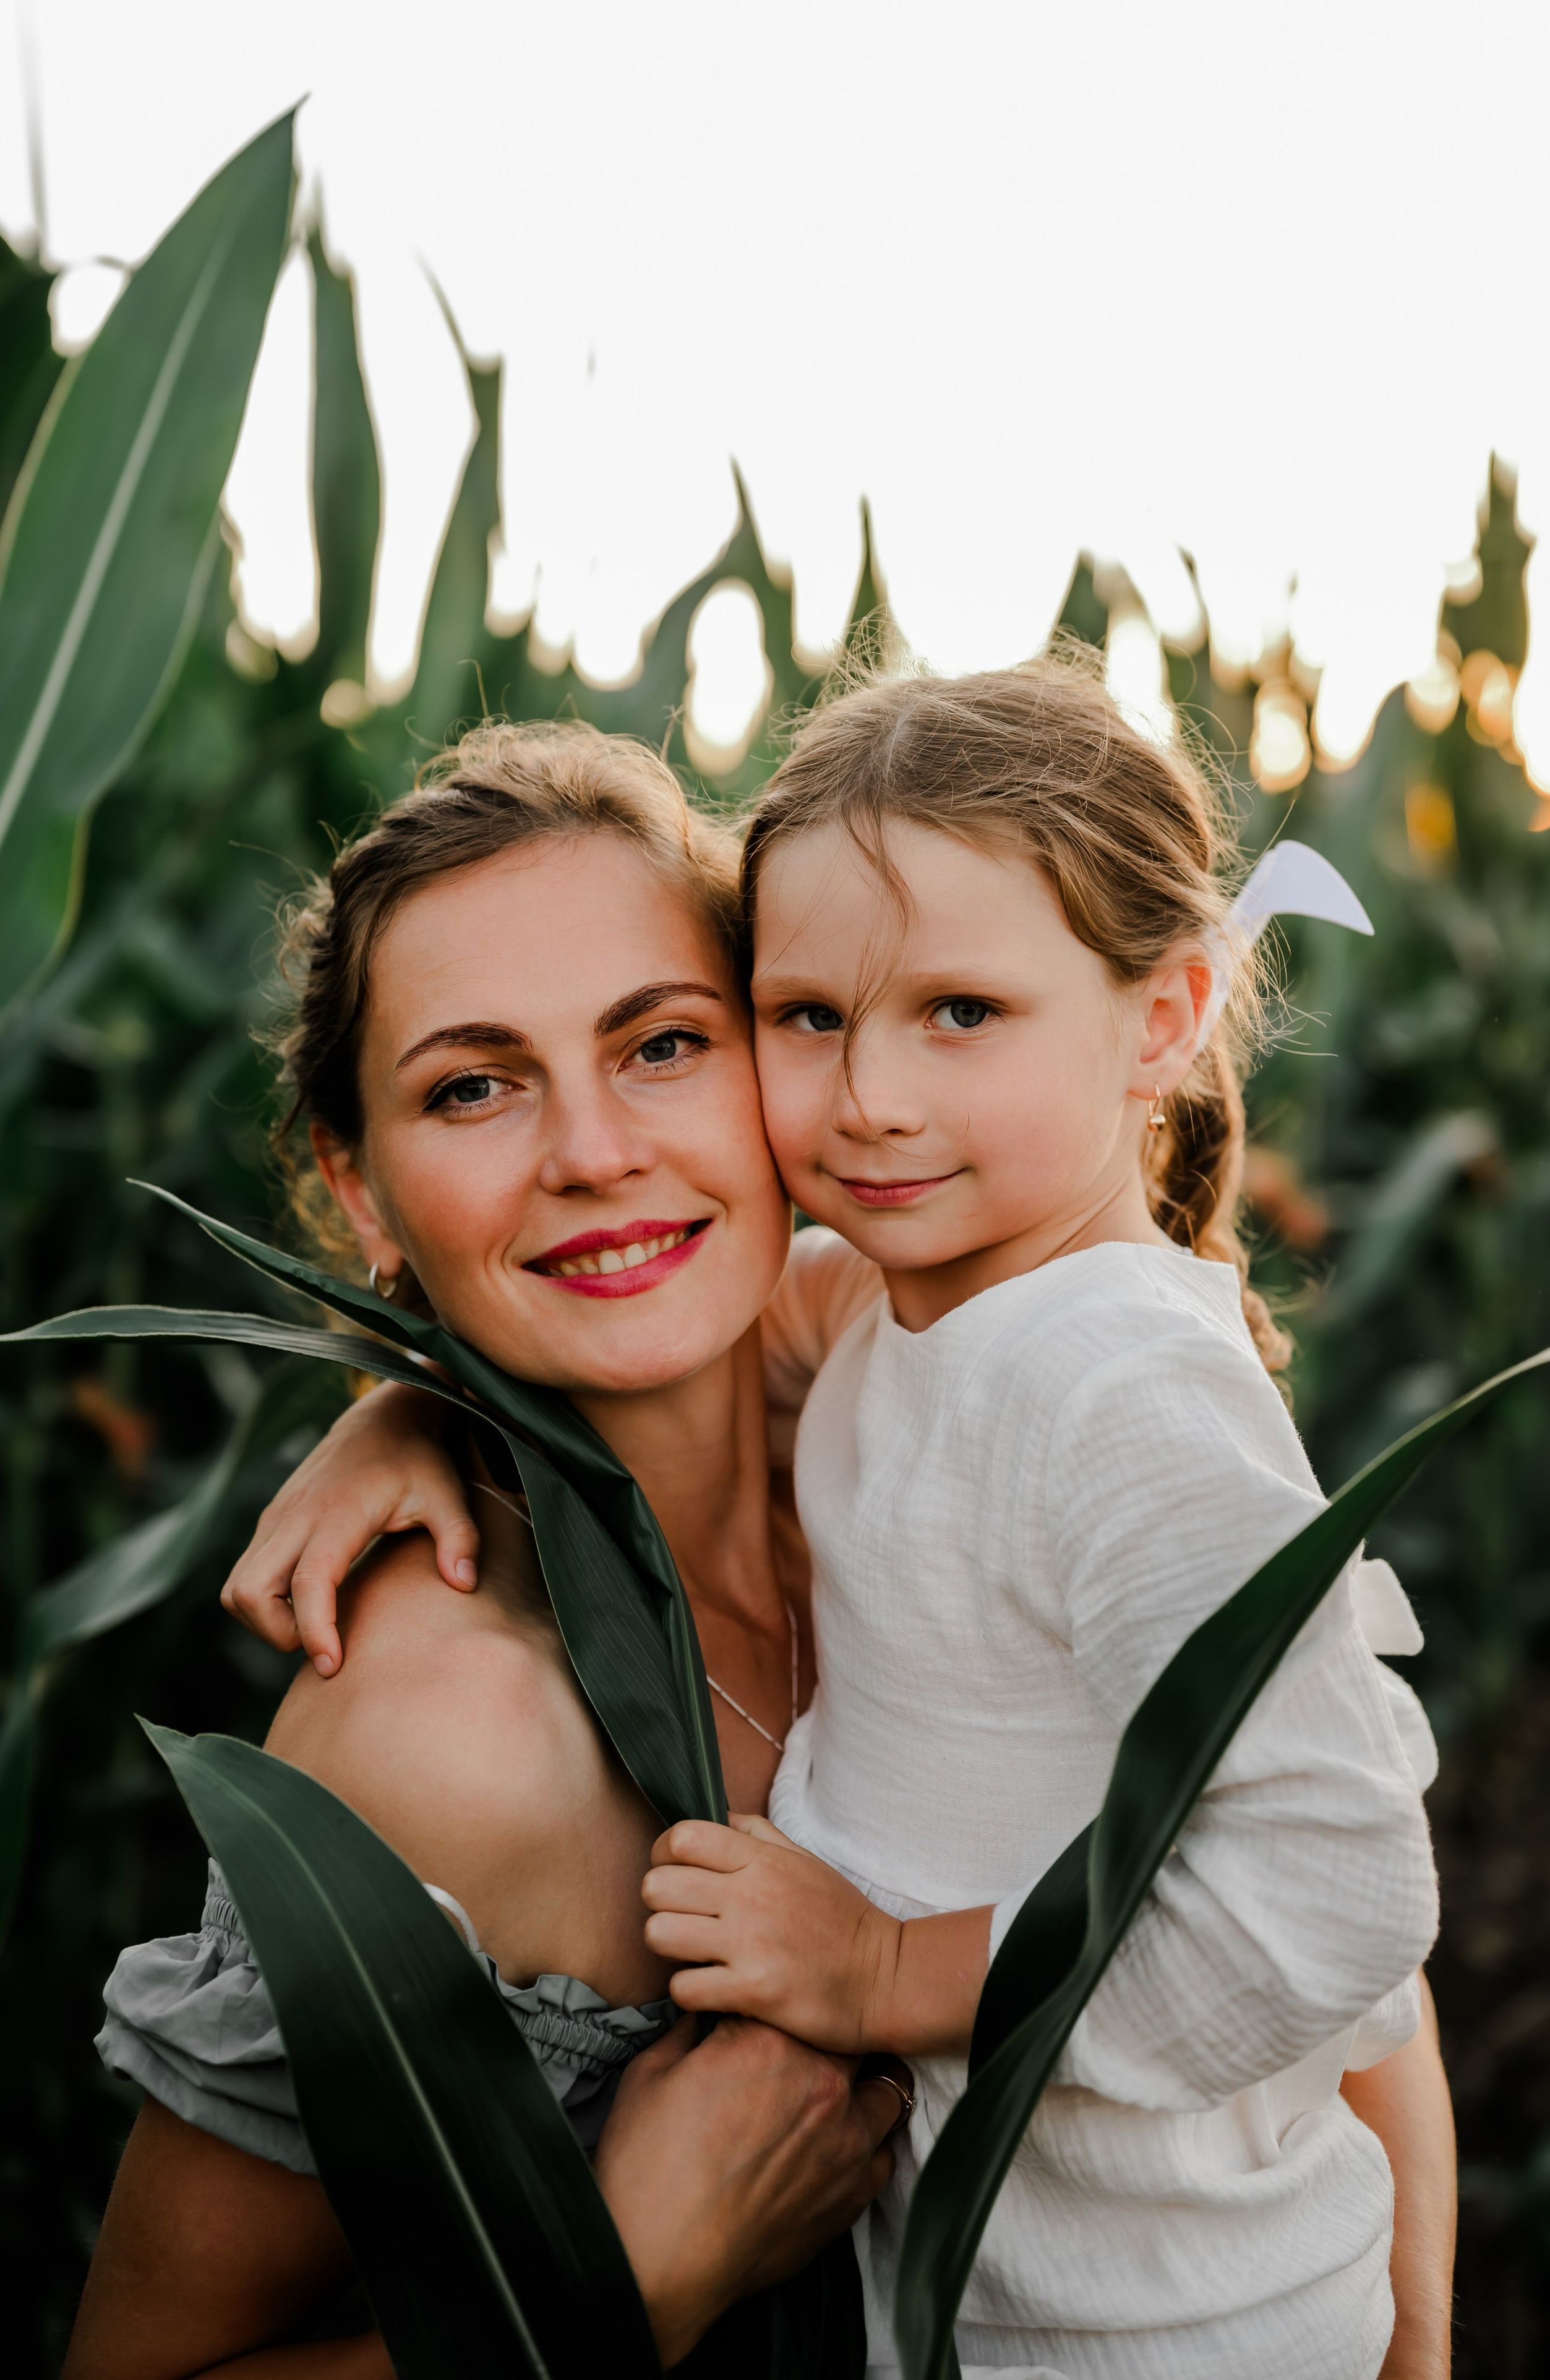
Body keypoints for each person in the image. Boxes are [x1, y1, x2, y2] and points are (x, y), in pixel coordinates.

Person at [215, 691, 1455, 2377]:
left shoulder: (1102, 1402)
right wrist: (405, 1401)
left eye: (661, 1045)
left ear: (1162, 1016)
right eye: (808, 1015)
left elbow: (1338, 1907)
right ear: (358, 1188)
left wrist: (884, 1966)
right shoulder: (899, 1338)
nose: (868, 1097)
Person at [70, 724, 907, 2376]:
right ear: (361, 1190)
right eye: (473, 1087)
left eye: (663, 1045)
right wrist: (627, 2283)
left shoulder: (919, 1471)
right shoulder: (455, 1737)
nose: (592, 1150)